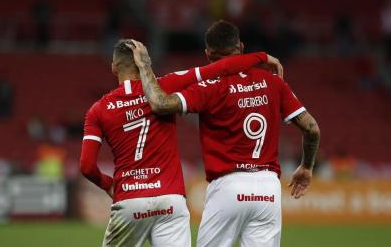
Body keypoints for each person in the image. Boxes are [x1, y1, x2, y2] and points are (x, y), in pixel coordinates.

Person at [128, 20, 321, 247]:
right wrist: (307, 167)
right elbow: (311, 128)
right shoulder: (274, 83)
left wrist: (144, 68)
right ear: (241, 47)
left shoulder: (210, 87)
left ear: (208, 54)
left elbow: (160, 104)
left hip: (228, 185)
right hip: (268, 188)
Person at [79, 38, 282, 247]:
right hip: (170, 201)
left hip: (130, 199)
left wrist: (107, 184)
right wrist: (261, 57)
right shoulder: (166, 85)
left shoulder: (98, 110)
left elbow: (86, 166)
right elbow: (220, 68)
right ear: (145, 62)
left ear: (114, 67)